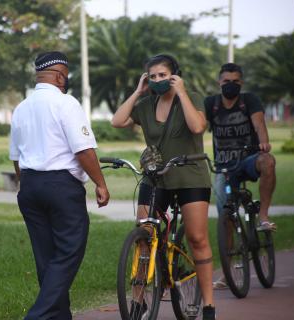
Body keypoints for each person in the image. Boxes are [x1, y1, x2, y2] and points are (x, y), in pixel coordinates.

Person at [112, 54, 216, 319]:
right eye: (153, 76)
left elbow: (198, 126)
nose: (158, 80)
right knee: (144, 235)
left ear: (175, 75)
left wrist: (181, 92)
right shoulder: (146, 104)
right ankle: (139, 302)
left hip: (190, 174)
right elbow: (117, 121)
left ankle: (208, 304)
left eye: (163, 75)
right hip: (156, 176)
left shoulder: (190, 95)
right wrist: (138, 92)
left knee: (197, 238)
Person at [9, 51, 110, 320]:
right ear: (59, 76)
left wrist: (27, 185)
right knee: (68, 252)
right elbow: (83, 150)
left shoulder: (21, 108)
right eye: (65, 76)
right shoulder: (66, 104)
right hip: (61, 187)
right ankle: (38, 316)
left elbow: (16, 159)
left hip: (29, 185)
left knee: (46, 258)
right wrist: (101, 183)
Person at [204, 62, 277, 290]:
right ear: (219, 82)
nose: (231, 86)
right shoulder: (212, 104)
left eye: (236, 82)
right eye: (226, 82)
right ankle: (227, 271)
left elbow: (259, 123)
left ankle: (263, 215)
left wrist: (263, 141)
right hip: (224, 167)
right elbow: (199, 127)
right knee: (225, 215)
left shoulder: (249, 100)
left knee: (268, 162)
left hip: (248, 160)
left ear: (241, 83)